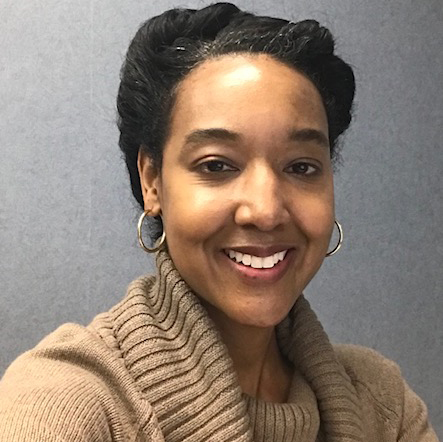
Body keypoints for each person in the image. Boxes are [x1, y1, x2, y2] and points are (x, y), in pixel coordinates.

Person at [0, 3, 438, 441]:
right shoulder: (65, 405)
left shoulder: (382, 403)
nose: (265, 210)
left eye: (302, 167)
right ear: (152, 180)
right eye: (216, 166)